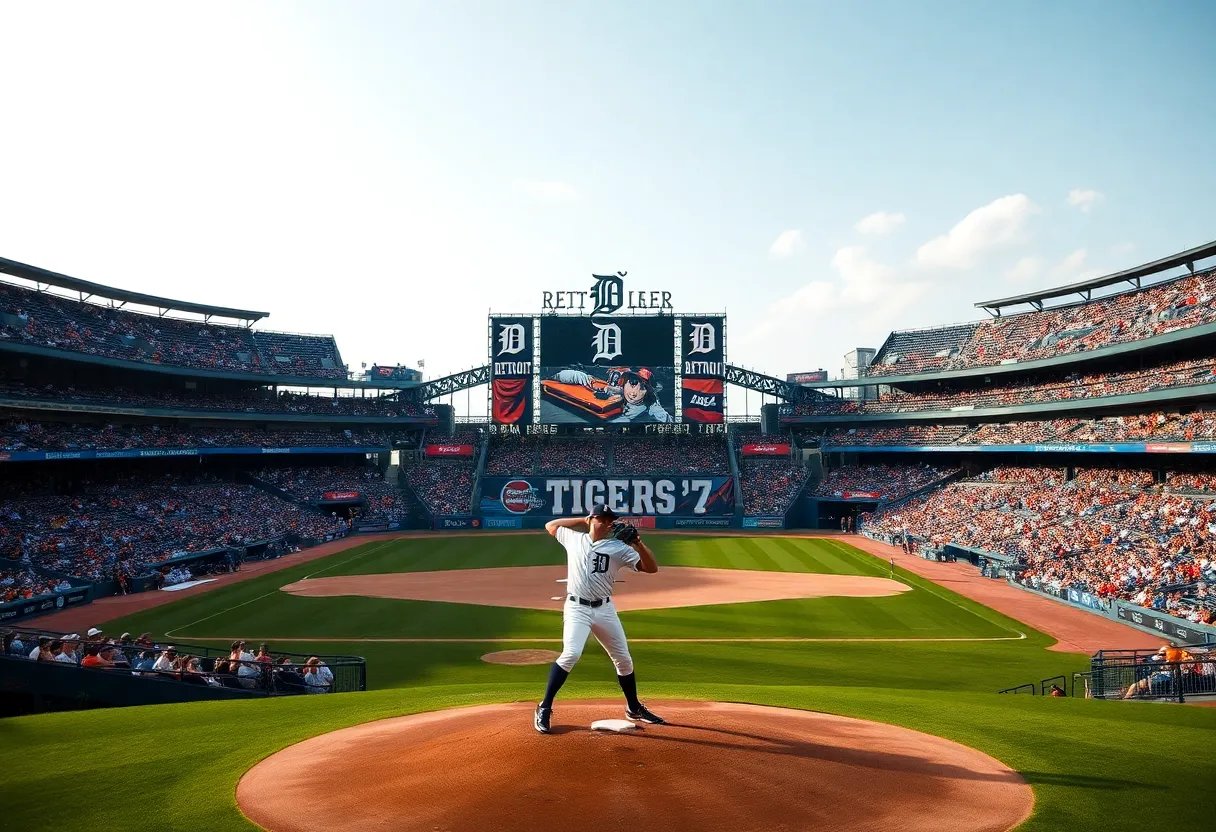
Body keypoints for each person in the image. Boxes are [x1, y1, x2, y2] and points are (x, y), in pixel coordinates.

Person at [534, 503, 663, 734]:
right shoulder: (573, 539)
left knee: (623, 660)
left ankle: (633, 708)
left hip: (604, 609)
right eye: (602, 519)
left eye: (610, 520)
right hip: (576, 608)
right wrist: (581, 520)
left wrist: (638, 544)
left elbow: (652, 568)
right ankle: (544, 707)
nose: (607, 523)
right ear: (592, 519)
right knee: (571, 654)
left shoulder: (618, 548)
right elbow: (551, 525)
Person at [552, 367, 674, 423]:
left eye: (642, 388)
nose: (634, 392)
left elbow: (668, 420)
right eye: (632, 383)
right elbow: (578, 377)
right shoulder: (607, 388)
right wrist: (555, 376)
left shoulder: (651, 403)